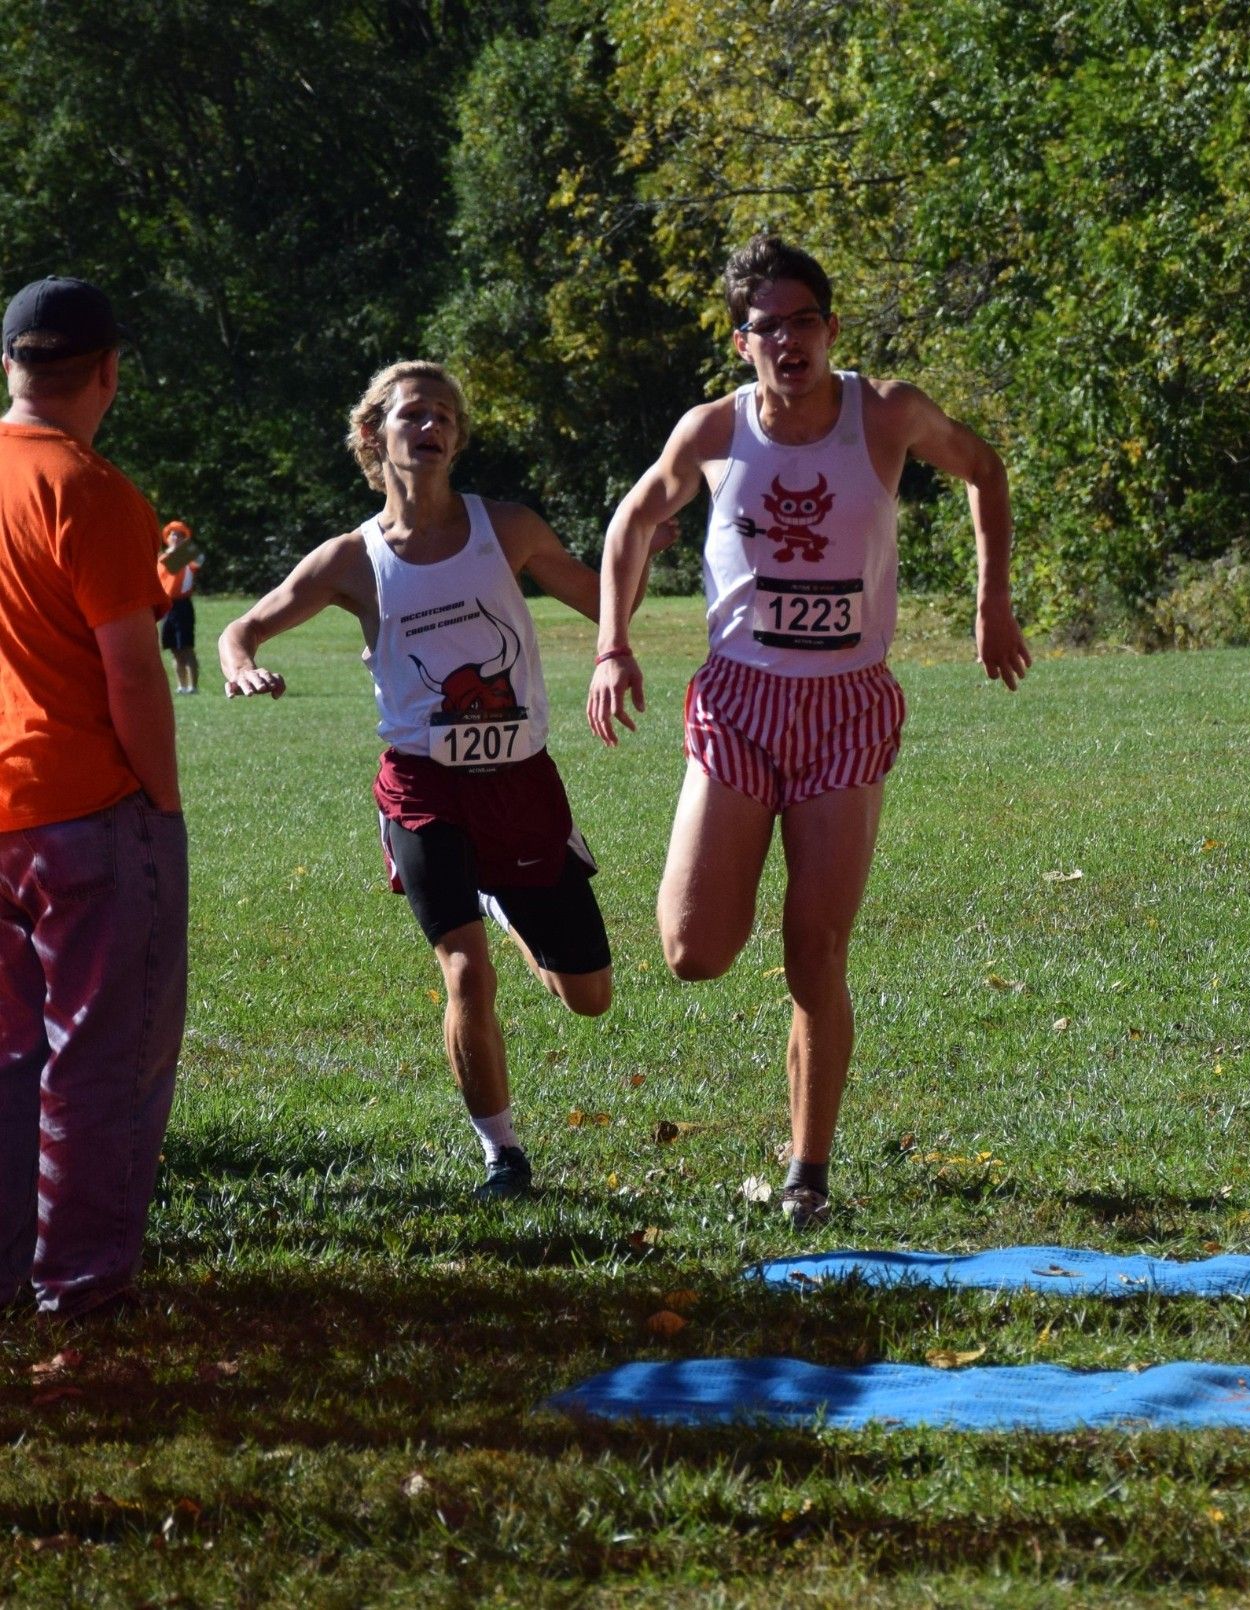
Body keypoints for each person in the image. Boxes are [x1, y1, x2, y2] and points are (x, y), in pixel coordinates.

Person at [588, 234, 1032, 1228]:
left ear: (829, 328)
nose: (787, 341)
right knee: (694, 949)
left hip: (845, 705)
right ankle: (727, 883)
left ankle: (806, 1168)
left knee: (812, 950)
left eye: (803, 321)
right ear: (740, 342)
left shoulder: (885, 413)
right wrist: (612, 644)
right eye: (766, 327)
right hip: (740, 701)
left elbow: (983, 469)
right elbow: (628, 523)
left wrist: (988, 603)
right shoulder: (711, 431)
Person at [219, 360, 671, 1200]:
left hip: (522, 783)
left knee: (591, 998)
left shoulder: (508, 528)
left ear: (457, 439)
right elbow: (242, 627)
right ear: (372, 435)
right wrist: (241, 663)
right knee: (465, 972)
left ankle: (500, 902)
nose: (428, 429)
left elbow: (604, 603)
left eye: (443, 419)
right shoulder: (350, 560)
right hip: (423, 787)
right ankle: (502, 1155)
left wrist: (638, 548)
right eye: (411, 416)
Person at [0, 276, 187, 1317]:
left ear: (11, 365)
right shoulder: (92, 490)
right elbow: (130, 671)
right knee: (102, 1055)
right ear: (109, 370)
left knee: (9, 1055)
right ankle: (81, 1280)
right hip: (85, 813)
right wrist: (159, 801)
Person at [158, 518, 203, 693]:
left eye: (179, 535)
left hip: (183, 605)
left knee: (186, 646)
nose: (175, 537)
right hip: (168, 606)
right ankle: (181, 686)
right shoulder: (163, 559)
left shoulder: (188, 556)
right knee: (173, 648)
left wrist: (184, 549)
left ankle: (193, 686)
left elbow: (199, 559)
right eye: (172, 534)